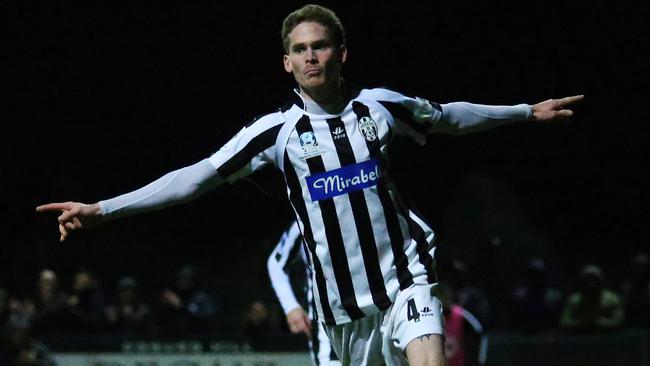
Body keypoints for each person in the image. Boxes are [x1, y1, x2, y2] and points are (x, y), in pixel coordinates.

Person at [36, 4, 582, 365]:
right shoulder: (275, 133)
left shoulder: (381, 106)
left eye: (320, 45)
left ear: (341, 53)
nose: (311, 56)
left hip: (406, 281)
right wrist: (104, 209)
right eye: (300, 50)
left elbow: (449, 116)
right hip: (337, 311)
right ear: (286, 63)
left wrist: (525, 112)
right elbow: (194, 178)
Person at [267, 221, 340, 366]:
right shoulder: (303, 221)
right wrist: (291, 307)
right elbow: (276, 263)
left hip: (374, 314)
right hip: (326, 328)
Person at [559, 264, 624, 333]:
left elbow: (618, 322)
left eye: (594, 278)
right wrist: (582, 323)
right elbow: (564, 322)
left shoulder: (612, 299)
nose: (591, 282)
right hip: (580, 338)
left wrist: (596, 322)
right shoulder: (574, 300)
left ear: (601, 281)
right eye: (587, 279)